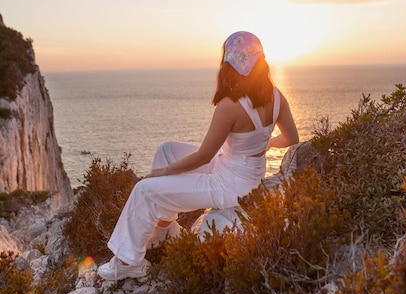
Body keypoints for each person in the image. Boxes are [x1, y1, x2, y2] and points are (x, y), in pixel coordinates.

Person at [98, 31, 299, 280]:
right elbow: (292, 138)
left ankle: (129, 262)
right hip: (244, 175)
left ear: (230, 65)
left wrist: (162, 174)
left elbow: (203, 156)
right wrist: (263, 145)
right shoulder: (277, 97)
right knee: (167, 150)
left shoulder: (230, 105)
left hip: (230, 185)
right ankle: (164, 229)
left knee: (144, 190)